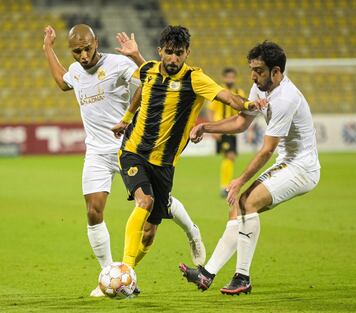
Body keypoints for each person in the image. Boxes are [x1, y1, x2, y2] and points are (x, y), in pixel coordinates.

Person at [43, 24, 206, 297]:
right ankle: (110, 277)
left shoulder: (117, 64)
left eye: (87, 48)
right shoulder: (76, 71)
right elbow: (62, 82)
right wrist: (47, 47)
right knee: (94, 212)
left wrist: (130, 115)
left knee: (156, 210)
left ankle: (191, 230)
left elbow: (148, 81)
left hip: (129, 147)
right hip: (96, 152)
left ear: (96, 42)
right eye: (76, 52)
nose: (83, 56)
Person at [111, 26, 265, 274]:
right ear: (160, 51)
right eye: (169, 52)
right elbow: (142, 87)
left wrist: (248, 104)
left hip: (164, 162)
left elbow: (227, 97)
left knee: (149, 234)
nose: (173, 58)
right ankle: (125, 273)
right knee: (145, 201)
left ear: (187, 53)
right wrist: (126, 119)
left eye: (179, 53)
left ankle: (188, 235)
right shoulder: (148, 69)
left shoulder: (195, 79)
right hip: (133, 151)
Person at [180, 41, 321, 295]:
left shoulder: (285, 98)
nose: (254, 76)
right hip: (288, 162)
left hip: (303, 168)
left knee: (246, 202)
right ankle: (206, 274)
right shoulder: (260, 88)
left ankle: (242, 277)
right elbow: (241, 122)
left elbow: (266, 149)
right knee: (238, 209)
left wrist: (240, 179)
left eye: (260, 71)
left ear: (276, 72)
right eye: (252, 70)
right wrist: (206, 127)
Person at [207, 68, 246, 197]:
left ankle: (226, 185)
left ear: (235, 78)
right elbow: (211, 111)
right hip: (222, 128)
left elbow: (243, 112)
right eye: (228, 77)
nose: (230, 79)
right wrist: (213, 129)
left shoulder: (239, 92)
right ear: (224, 78)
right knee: (229, 155)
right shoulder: (219, 92)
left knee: (231, 157)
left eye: (232, 77)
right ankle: (224, 186)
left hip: (233, 130)